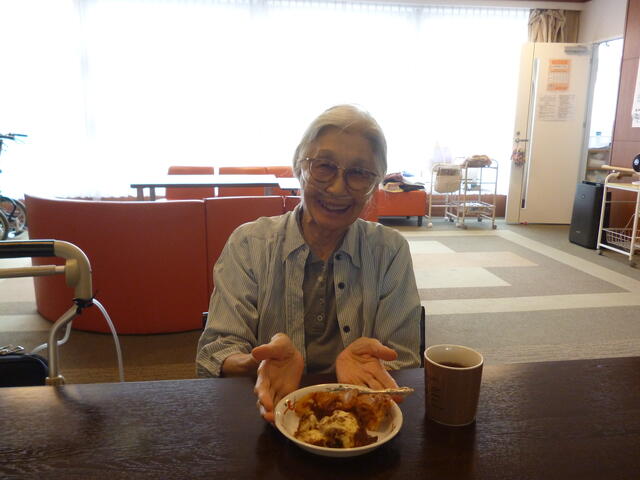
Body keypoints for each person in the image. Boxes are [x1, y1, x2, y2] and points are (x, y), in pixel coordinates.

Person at [196, 104, 421, 422]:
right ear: (298, 167)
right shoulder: (249, 244)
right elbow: (216, 350)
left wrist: (368, 371)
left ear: (374, 185)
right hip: (265, 414)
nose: (337, 188)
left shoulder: (390, 250)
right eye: (324, 166)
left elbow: (405, 357)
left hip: (359, 417)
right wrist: (255, 363)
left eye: (359, 173)